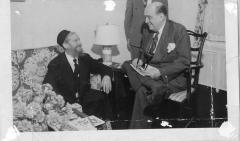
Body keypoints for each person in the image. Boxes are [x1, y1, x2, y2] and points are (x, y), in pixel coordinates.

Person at [122, 2, 191, 129]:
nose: (146, 21)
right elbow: (145, 55)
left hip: (171, 78)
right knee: (126, 65)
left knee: (142, 92)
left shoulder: (178, 30)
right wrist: (140, 61)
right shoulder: (148, 31)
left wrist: (160, 72)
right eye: (145, 17)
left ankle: (136, 134)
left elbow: (184, 61)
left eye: (149, 17)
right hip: (150, 75)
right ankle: (153, 85)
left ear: (161, 16)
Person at [43, 30, 113, 119]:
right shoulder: (55, 64)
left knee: (102, 97)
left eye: (79, 40)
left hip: (86, 102)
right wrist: (67, 106)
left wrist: (106, 76)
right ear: (65, 45)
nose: (79, 43)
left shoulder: (85, 58)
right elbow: (48, 88)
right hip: (67, 106)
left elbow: (104, 68)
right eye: (75, 41)